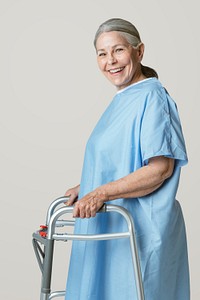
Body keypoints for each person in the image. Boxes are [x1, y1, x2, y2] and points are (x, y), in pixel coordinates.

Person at [64, 18, 190, 300]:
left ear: (139, 51)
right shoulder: (123, 100)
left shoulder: (152, 97)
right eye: (102, 53)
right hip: (110, 230)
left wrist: (101, 192)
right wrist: (87, 185)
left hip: (138, 233)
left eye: (118, 50)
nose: (111, 60)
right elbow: (122, 161)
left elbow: (159, 170)